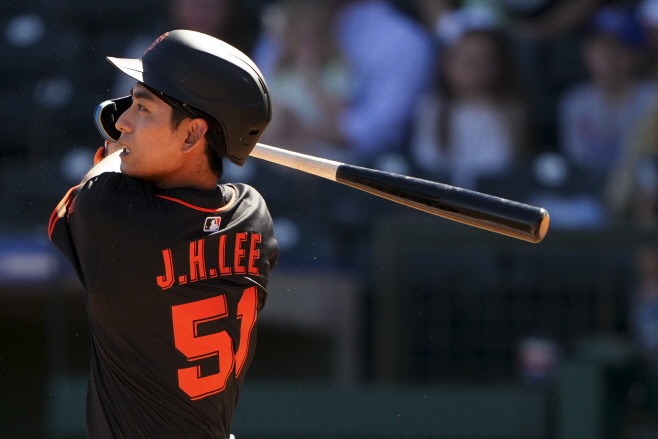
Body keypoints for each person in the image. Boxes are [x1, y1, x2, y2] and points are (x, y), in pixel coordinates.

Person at [48, 30, 278, 438]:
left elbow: (108, 161)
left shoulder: (110, 214)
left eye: (141, 107)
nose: (122, 121)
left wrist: (114, 140)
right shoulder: (252, 215)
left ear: (193, 134)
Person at [410, 26, 532, 190]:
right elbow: (426, 162)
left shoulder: (511, 111)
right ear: (447, 63)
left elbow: (502, 164)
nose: (475, 70)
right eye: (467, 61)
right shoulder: (432, 108)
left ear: (498, 65)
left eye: (484, 61)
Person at [558, 5, 656, 173]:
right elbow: (574, 166)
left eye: (616, 48)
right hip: (585, 191)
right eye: (598, 47)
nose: (607, 57)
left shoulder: (652, 99)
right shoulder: (575, 101)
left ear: (635, 54)